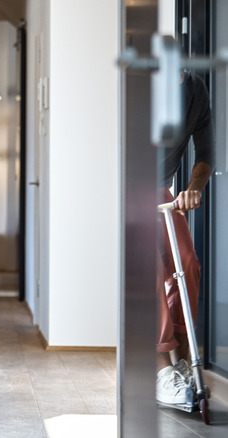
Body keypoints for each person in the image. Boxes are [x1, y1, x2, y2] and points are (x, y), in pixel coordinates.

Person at [154, 70, 214, 405]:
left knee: (187, 263)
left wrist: (193, 189)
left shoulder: (195, 90)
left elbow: (205, 152)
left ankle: (183, 357)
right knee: (148, 271)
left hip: (161, 188)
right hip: (125, 182)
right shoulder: (134, 85)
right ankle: (163, 368)